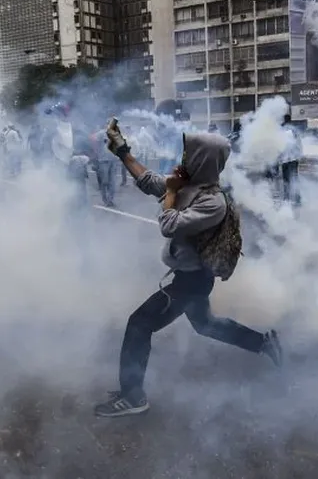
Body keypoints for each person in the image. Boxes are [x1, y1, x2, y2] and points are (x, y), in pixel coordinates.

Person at [93, 122, 283, 418]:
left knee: (139, 324)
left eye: (189, 153)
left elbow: (168, 225)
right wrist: (122, 151)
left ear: (202, 160)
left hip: (191, 281)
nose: (183, 157)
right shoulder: (189, 185)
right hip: (190, 278)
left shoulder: (212, 202)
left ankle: (133, 397)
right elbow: (149, 181)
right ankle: (262, 343)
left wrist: (170, 191)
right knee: (205, 324)